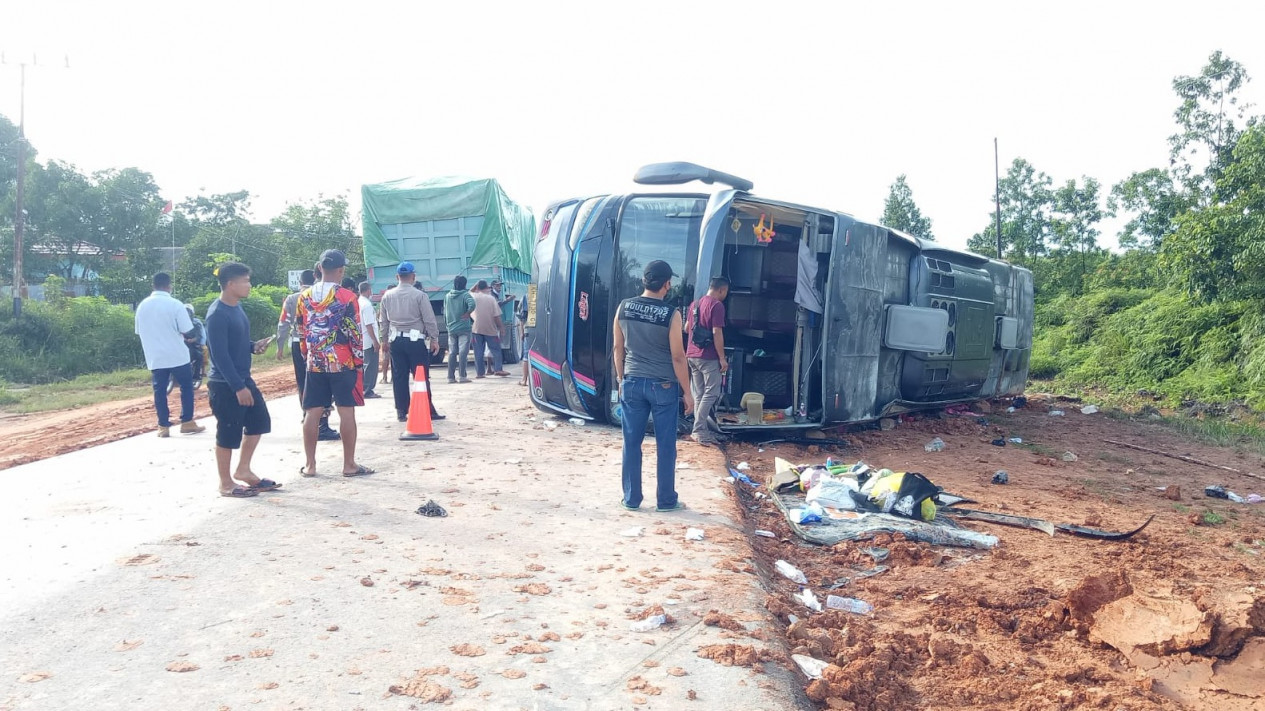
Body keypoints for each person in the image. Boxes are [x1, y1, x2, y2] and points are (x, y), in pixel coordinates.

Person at [612, 260, 694, 512]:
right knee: (666, 445)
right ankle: (666, 500)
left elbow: (618, 348)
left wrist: (620, 378)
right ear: (667, 284)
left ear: (644, 281)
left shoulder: (623, 308)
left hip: (632, 382)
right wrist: (688, 393)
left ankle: (631, 498)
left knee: (631, 442)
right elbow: (678, 357)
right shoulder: (672, 315)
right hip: (664, 387)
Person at [204, 262, 280, 498]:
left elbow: (233, 343)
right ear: (230, 284)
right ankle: (225, 483)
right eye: (245, 281)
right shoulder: (217, 314)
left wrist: (252, 347)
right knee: (228, 432)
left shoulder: (236, 308)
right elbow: (219, 354)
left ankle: (243, 470)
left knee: (259, 422)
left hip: (243, 377)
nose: (249, 285)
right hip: (225, 384)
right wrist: (238, 387)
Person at [297, 250, 373, 478]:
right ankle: (349, 465)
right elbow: (354, 333)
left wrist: (307, 355)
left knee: (312, 412)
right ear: (341, 270)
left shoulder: (304, 297)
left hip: (315, 362)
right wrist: (359, 362)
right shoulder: (348, 297)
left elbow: (302, 331)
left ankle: (310, 466)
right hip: (343, 362)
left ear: (319, 268)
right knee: (346, 412)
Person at [134, 272, 206, 437]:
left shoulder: (142, 306)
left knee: (159, 391)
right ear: (169, 286)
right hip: (177, 355)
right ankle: (187, 422)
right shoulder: (175, 304)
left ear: (153, 285)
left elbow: (139, 332)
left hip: (155, 357)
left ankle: (163, 426)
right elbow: (188, 331)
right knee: (186, 388)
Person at [276, 269, 339, 440]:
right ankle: (323, 424)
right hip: (319, 345)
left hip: (297, 343)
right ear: (315, 278)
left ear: (299, 283)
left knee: (302, 381)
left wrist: (279, 346)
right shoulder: (321, 296)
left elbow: (283, 324)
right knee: (322, 382)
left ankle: (307, 416)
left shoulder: (291, 299)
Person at [378, 262, 444, 423]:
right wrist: (434, 339)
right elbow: (429, 320)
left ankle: (401, 411)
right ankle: (427, 409)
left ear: (397, 277)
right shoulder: (420, 296)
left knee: (399, 376)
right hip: (415, 341)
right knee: (421, 376)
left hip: (396, 341)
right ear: (413, 277)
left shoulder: (387, 295)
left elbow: (383, 321)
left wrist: (383, 340)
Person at [685, 276, 730, 446]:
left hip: (691, 355)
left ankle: (701, 429)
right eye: (725, 292)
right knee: (712, 393)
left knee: (700, 394)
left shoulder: (694, 304)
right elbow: (717, 332)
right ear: (722, 290)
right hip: (707, 356)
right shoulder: (717, 306)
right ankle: (698, 430)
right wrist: (722, 358)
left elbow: (686, 328)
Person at [471, 280, 508, 377]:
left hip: (476, 329)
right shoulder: (491, 299)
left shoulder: (473, 296)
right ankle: (498, 369)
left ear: (478, 288)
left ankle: (480, 373)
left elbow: (469, 291)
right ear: (487, 288)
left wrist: (476, 285)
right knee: (496, 350)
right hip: (490, 329)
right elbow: (496, 316)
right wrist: (501, 327)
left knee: (478, 352)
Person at [443, 275, 476, 384]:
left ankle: (450, 377)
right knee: (463, 352)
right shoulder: (465, 295)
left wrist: (447, 325)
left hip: (451, 328)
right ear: (465, 284)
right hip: (464, 328)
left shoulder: (447, 296)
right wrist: (467, 313)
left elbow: (445, 312)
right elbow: (472, 304)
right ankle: (462, 376)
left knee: (452, 353)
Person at [357, 282, 382, 398]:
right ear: (368, 290)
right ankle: (367, 390)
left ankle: (364, 389)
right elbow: (369, 324)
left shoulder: (359, 302)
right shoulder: (366, 305)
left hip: (362, 339)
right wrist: (375, 341)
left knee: (366, 364)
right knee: (371, 365)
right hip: (368, 339)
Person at [517, 293, 531, 387]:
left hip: (529, 329)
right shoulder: (547, 292)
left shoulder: (526, 296)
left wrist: (521, 332)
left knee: (526, 356)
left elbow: (521, 317)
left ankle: (524, 380)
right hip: (543, 330)